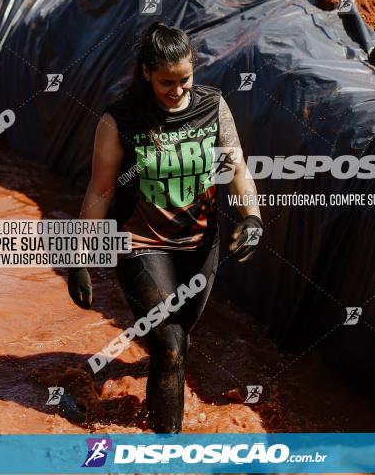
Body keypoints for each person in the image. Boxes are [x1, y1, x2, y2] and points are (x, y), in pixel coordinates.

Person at [68, 22, 263, 433]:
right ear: (145, 72)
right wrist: (78, 258)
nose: (177, 91)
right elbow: (101, 192)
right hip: (139, 243)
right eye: (165, 82)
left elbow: (237, 168)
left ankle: (152, 383)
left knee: (178, 339)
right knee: (170, 348)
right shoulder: (119, 119)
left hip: (199, 245)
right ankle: (167, 450)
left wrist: (251, 217)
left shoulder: (212, 106)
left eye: (184, 80)